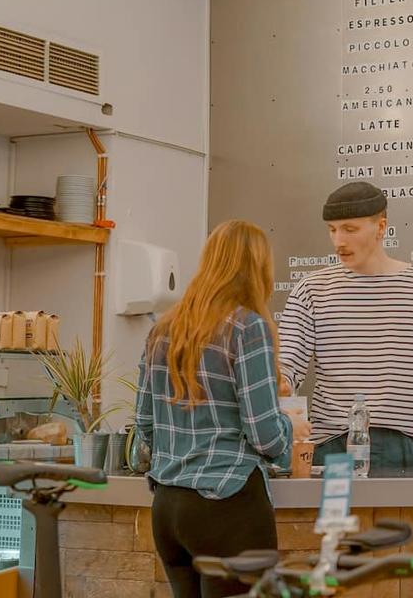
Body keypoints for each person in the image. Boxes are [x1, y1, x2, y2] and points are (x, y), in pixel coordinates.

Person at [135, 220, 308, 598]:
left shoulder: (163, 329)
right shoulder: (248, 327)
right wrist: (289, 429)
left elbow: (144, 423)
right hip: (227, 504)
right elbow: (264, 433)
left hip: (168, 507)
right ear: (258, 268)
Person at [278, 182, 413, 471]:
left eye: (350, 229)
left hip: (405, 445)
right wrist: (278, 387)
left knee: (406, 519)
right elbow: (287, 367)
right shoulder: (311, 290)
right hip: (334, 445)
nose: (338, 241)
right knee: (336, 519)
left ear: (380, 227)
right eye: (332, 230)